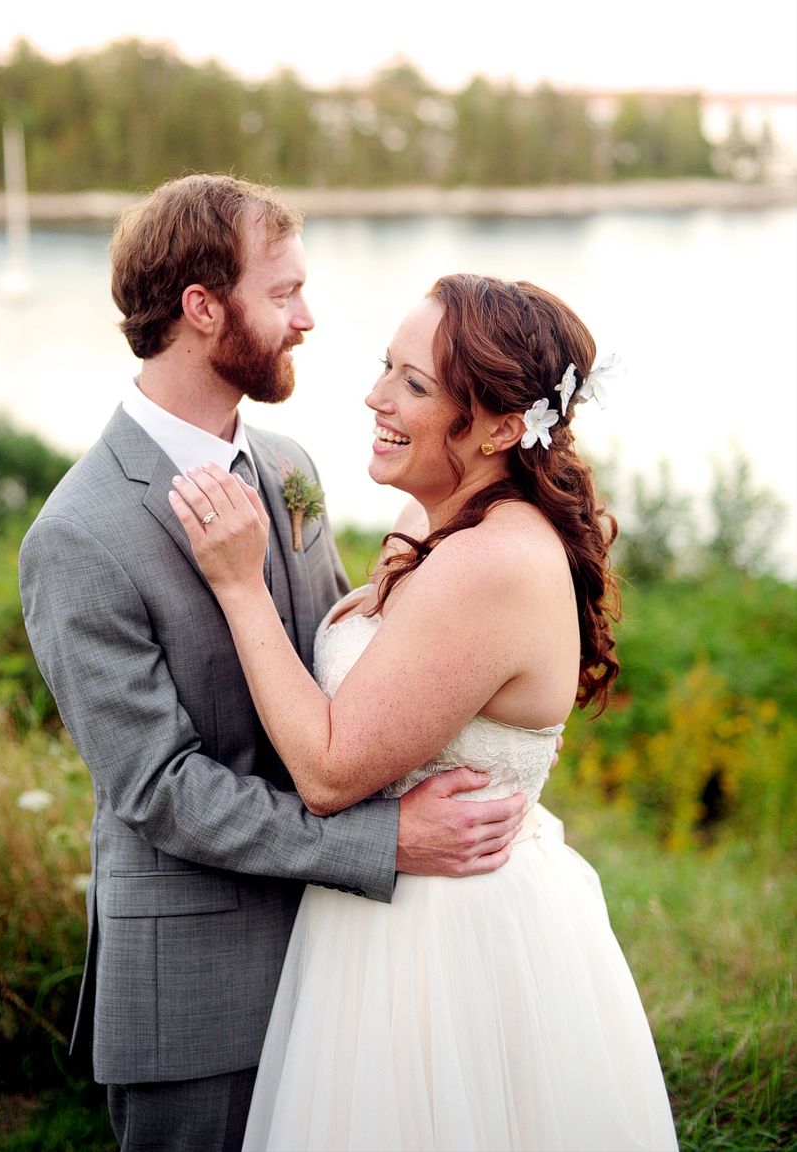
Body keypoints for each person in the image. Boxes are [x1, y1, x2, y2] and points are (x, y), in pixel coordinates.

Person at [18, 177, 533, 1152]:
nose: (308, 318)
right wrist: (385, 842)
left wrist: (412, 583)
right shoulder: (77, 536)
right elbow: (159, 789)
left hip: (342, 968)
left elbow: (331, 675)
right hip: (198, 1001)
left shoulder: (290, 465)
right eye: (284, 292)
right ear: (203, 310)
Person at [169, 274, 680, 1151]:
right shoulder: (432, 519)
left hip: (448, 946)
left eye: (415, 383)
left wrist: (237, 582)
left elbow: (330, 771)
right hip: (380, 914)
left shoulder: (491, 562)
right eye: (385, 367)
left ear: (502, 426)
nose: (376, 396)